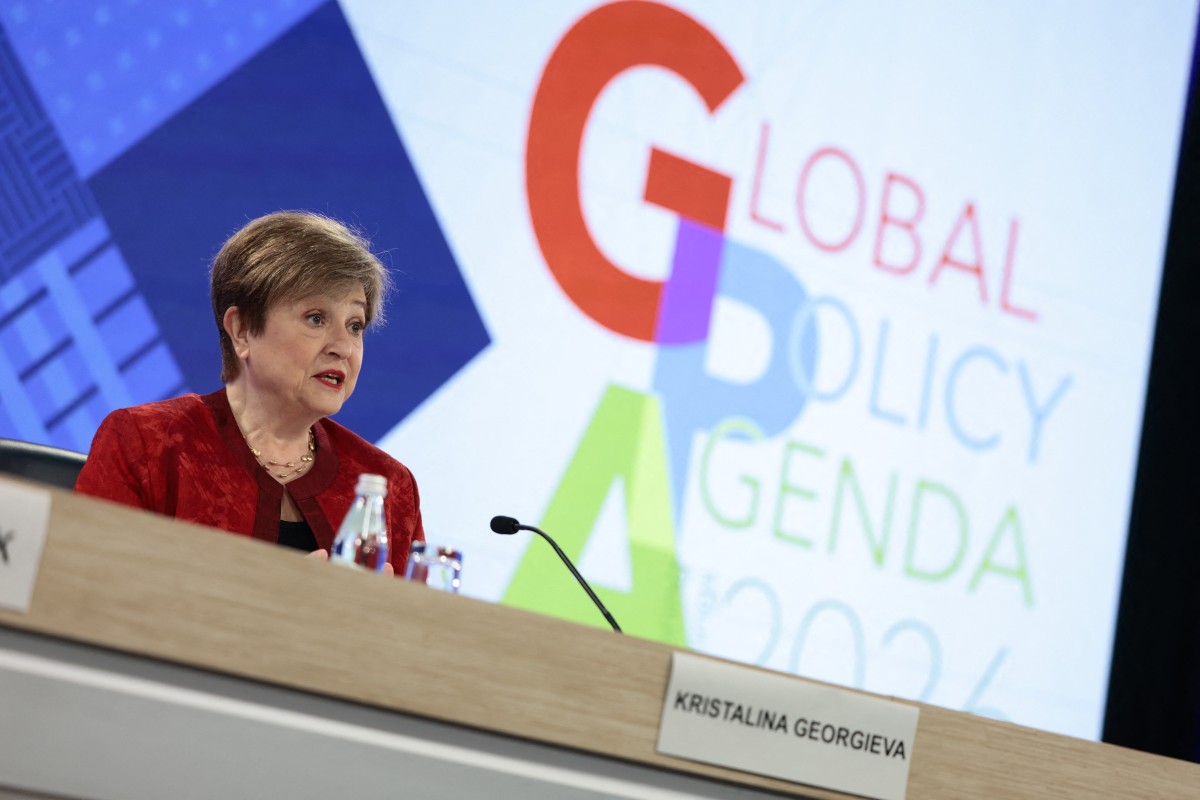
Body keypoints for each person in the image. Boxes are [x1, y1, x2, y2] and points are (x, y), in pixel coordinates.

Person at [75, 211, 423, 573]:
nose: (344, 347)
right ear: (241, 330)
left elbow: (423, 627)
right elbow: (87, 591)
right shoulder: (147, 444)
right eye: (316, 318)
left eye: (355, 325)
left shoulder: (388, 486)